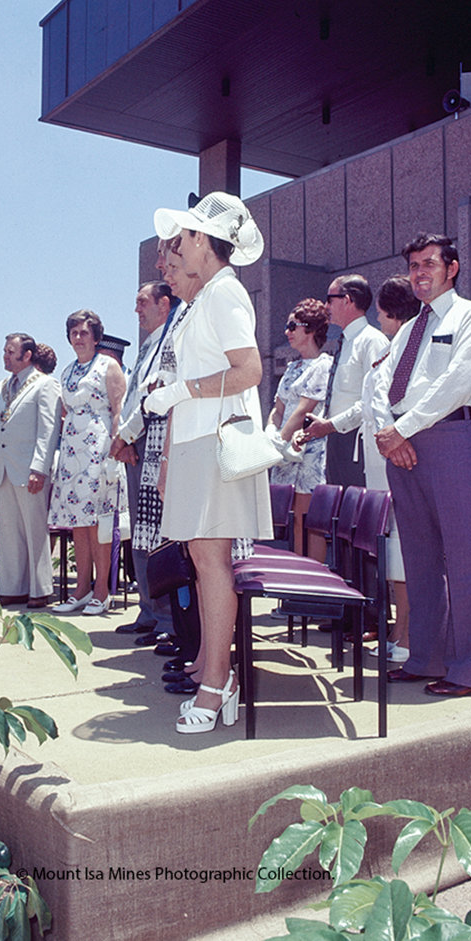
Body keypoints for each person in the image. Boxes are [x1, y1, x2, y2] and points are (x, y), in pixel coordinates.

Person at [144, 191, 272, 735]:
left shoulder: (225, 293)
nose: (176, 247)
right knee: (202, 559)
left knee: (211, 562)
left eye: (184, 237)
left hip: (218, 441)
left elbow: (250, 371)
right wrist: (175, 438)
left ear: (202, 240)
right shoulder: (208, 298)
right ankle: (217, 676)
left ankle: (217, 683)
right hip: (199, 441)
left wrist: (178, 392)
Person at [371, 233, 471, 697]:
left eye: (429, 263)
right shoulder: (407, 329)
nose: (419, 273)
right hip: (401, 445)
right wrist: (389, 432)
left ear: (453, 267)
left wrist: (405, 428)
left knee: (466, 558)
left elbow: (455, 381)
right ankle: (424, 657)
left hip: (448, 438)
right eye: (413, 266)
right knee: (420, 558)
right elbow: (381, 382)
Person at [110, 279, 180, 642]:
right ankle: (149, 610)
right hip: (136, 445)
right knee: (141, 532)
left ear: (163, 304)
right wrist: (124, 438)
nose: (136, 309)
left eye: (142, 302)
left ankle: (168, 619)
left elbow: (158, 394)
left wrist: (126, 435)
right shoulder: (147, 346)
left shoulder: (171, 340)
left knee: (158, 535)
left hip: (154, 443)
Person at [48, 310, 127, 616]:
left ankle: (101, 591)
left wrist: (114, 450)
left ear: (96, 337)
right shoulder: (67, 371)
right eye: (74, 333)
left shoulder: (109, 366)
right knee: (78, 524)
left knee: (98, 524)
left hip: (99, 450)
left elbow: (118, 408)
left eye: (84, 333)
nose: (78, 338)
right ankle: (81, 589)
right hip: (71, 453)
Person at [360, 276, 420, 665]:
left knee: (404, 552)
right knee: (395, 553)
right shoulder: (393, 351)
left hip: (396, 461)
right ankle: (401, 627)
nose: (379, 322)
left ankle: (409, 633)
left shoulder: (407, 352)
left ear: (393, 315)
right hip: (379, 466)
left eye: (381, 316)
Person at [0, 333, 62, 608]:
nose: (5, 356)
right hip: (4, 468)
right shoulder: (0, 388)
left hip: (30, 468)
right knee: (8, 531)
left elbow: (48, 430)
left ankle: (40, 589)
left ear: (26, 355)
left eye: (10, 352)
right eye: (5, 351)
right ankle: (13, 587)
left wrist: (39, 468)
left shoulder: (45, 385)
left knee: (34, 529)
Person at [301, 275, 388, 487]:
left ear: (347, 300)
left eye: (330, 299)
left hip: (359, 442)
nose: (326, 306)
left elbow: (374, 400)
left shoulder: (372, 341)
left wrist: (330, 425)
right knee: (340, 512)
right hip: (336, 440)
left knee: (360, 512)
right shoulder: (346, 341)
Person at [267, 298, 332, 561]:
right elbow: (278, 408)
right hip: (282, 450)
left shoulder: (323, 365)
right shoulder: (292, 367)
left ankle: (313, 587)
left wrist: (278, 444)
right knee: (291, 521)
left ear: (311, 330)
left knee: (308, 521)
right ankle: (295, 590)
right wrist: (270, 433)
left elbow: (302, 410)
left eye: (293, 326)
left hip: (306, 450)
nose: (288, 331)